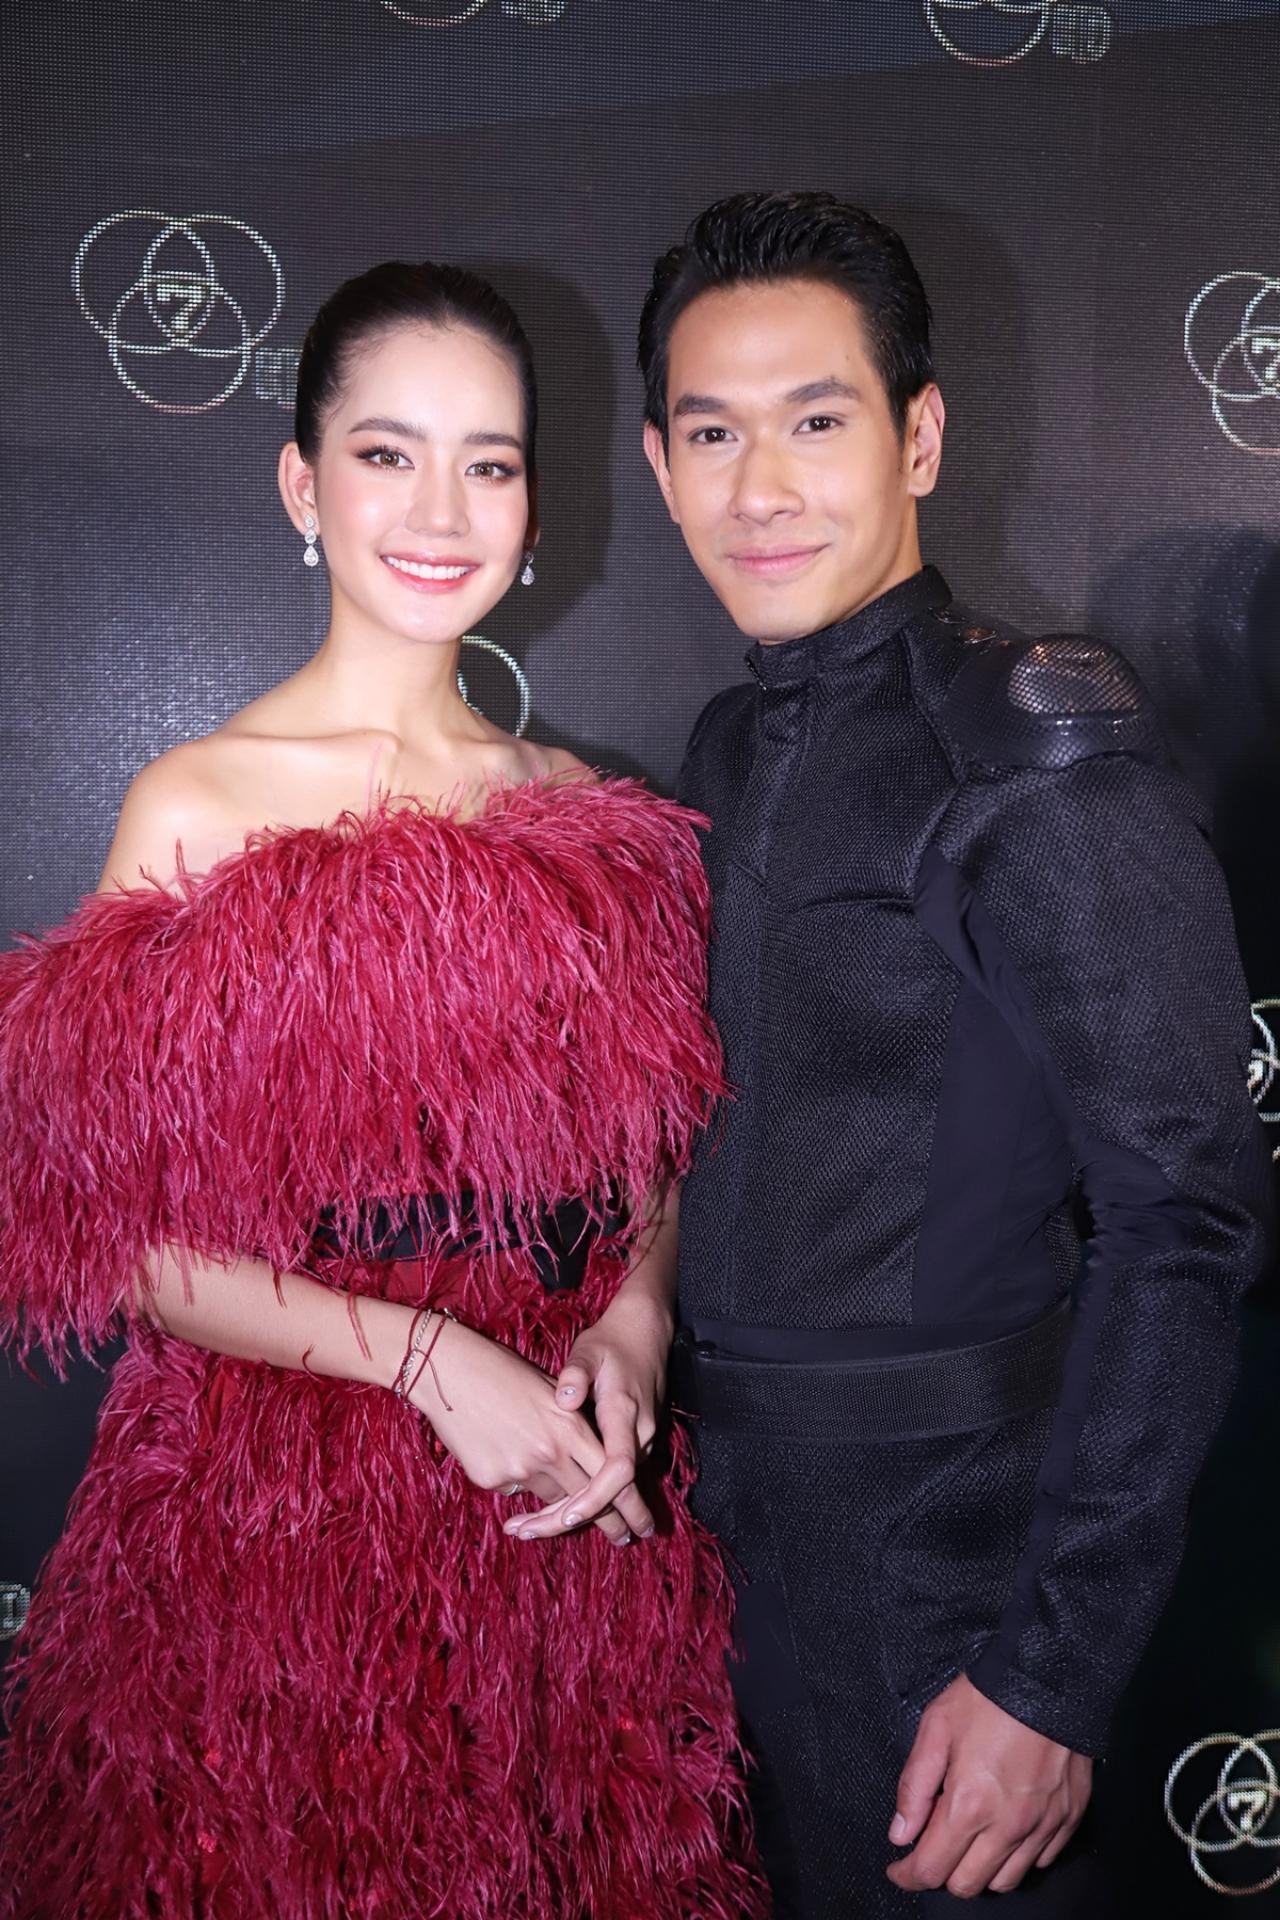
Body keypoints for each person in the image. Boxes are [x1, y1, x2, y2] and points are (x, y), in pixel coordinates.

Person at [0, 260, 766, 1919]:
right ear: (302, 485)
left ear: (534, 507)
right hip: (270, 1536)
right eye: (385, 454)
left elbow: (649, 1159)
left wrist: (634, 1321)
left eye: (488, 462)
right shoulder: (199, 806)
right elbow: (130, 1247)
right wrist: (426, 1363)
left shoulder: (588, 817)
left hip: (556, 1526)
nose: (440, 511)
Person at [637, 190, 1272, 1916]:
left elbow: (1188, 1219)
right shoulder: (723, 741)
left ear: (917, 437)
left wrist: (1051, 1673)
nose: (761, 488)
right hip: (714, 1581)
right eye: (714, 433)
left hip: (947, 1594)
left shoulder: (1031, 753)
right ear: (661, 464)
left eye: (816, 421)